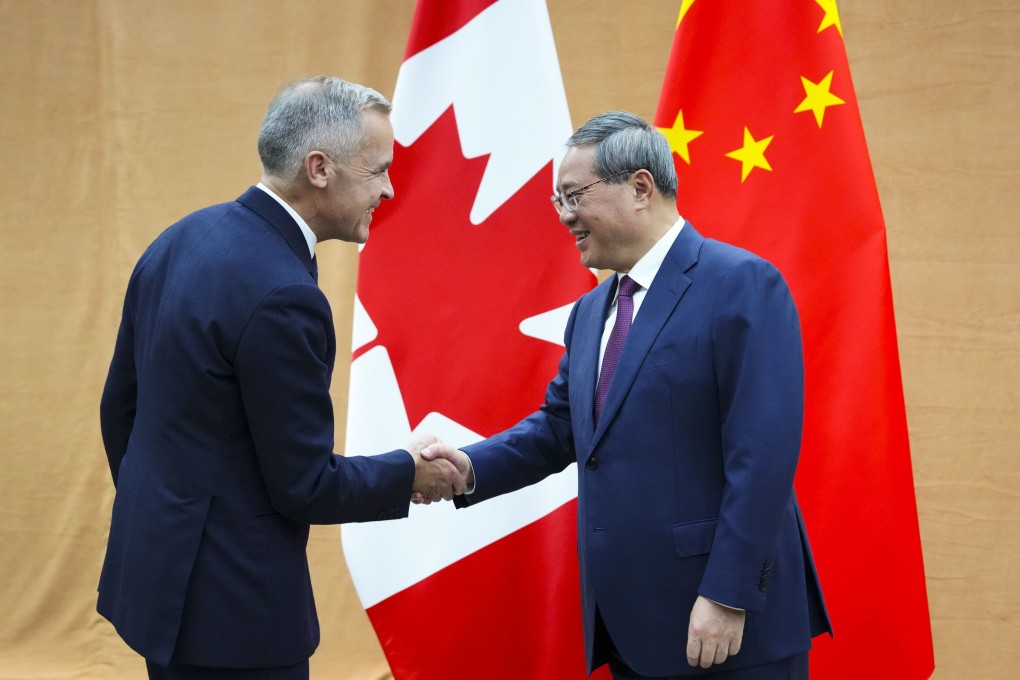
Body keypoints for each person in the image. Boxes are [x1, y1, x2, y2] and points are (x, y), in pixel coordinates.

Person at [423, 111, 832, 679]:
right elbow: (559, 428)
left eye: (573, 195)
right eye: (556, 200)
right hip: (633, 629)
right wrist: (467, 468)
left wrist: (728, 595)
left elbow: (762, 457)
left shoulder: (741, 285)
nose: (564, 216)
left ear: (640, 187)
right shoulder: (593, 310)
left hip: (725, 627)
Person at [98, 76, 468, 680]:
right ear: (319, 168)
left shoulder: (179, 238)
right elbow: (305, 486)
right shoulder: (284, 293)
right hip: (235, 619)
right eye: (378, 170)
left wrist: (170, 515)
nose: (389, 188)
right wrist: (411, 472)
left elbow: (121, 410)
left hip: (158, 588)